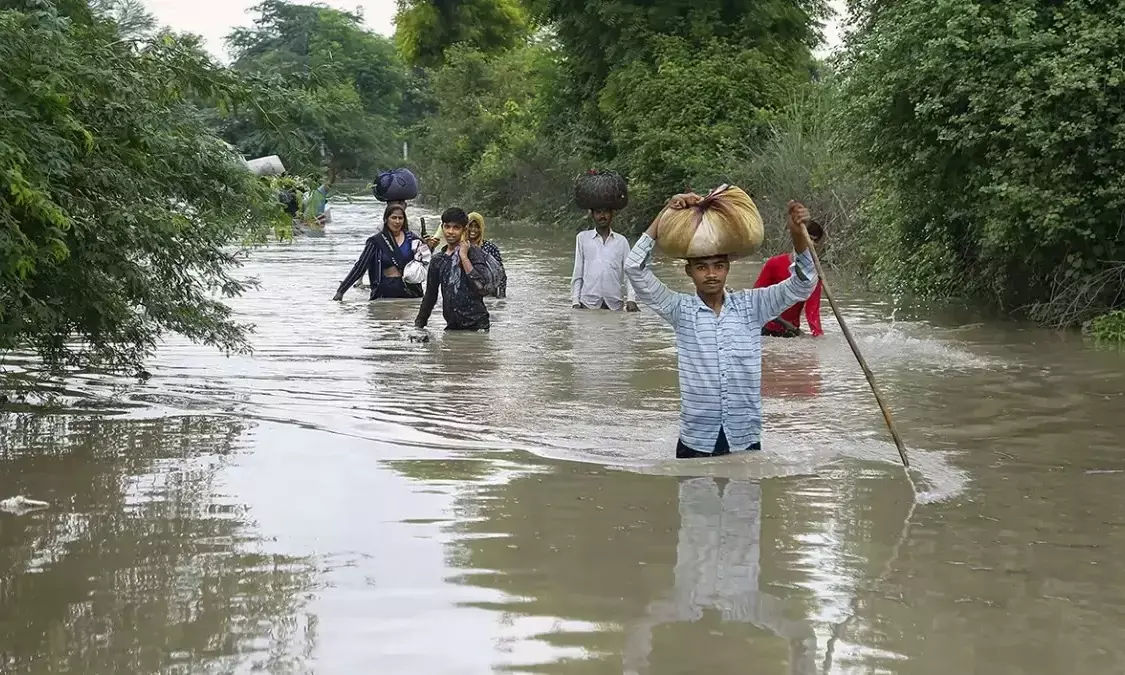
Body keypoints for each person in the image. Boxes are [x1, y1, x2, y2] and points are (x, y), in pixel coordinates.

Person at [624, 197, 818, 458]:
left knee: (745, 497)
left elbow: (803, 285)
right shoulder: (680, 310)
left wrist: (798, 237)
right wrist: (665, 213)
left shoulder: (752, 306)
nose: (711, 274)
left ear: (727, 269)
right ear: (689, 272)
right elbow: (634, 268)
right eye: (702, 267)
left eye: (718, 266)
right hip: (696, 440)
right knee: (696, 496)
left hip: (744, 436)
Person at [414, 207, 497, 331]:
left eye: (456, 228)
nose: (450, 232)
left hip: (477, 326)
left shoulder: (474, 254)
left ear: (464, 230)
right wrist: (419, 325)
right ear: (442, 228)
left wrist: (464, 258)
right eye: (447, 227)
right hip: (452, 326)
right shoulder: (438, 260)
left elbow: (483, 288)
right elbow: (430, 296)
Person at [333, 204, 430, 300]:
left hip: (411, 293)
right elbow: (360, 267)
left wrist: (429, 247)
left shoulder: (412, 239)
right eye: (394, 218)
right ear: (386, 219)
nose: (397, 221)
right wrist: (341, 291)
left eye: (400, 218)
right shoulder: (376, 242)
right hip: (384, 293)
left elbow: (423, 262)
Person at [753, 220, 825, 338]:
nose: (810, 243)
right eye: (808, 238)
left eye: (814, 241)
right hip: (765, 330)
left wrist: (818, 338)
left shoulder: (814, 275)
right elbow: (756, 299)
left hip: (791, 332)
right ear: (797, 239)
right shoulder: (774, 264)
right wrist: (782, 322)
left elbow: (813, 312)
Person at [571, 208, 639, 312]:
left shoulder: (622, 241)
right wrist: (575, 301)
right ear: (592, 214)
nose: (602, 216)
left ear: (612, 214)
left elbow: (629, 274)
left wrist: (631, 299)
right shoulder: (582, 238)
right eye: (598, 212)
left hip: (614, 306)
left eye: (606, 212)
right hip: (588, 304)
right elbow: (578, 272)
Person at [467, 212, 507, 298]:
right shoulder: (460, 247)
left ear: (481, 228)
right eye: (470, 226)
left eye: (477, 226)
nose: (473, 229)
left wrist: (501, 298)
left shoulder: (491, 248)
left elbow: (500, 274)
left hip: (488, 295)